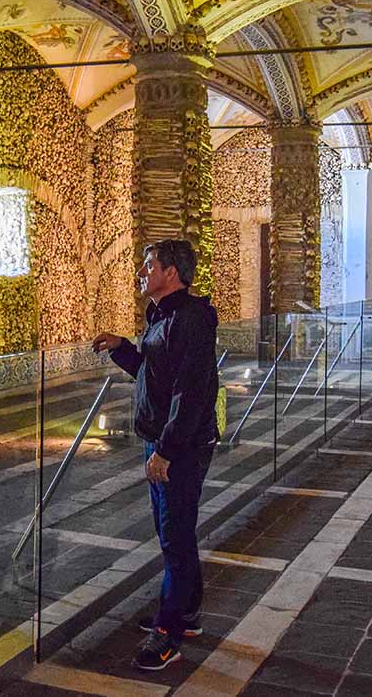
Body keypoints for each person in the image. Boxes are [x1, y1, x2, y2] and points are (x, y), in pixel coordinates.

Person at [93, 238, 218, 672]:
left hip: (179, 447)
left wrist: (165, 451)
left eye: (149, 266)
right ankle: (187, 613)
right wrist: (122, 346)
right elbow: (154, 371)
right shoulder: (162, 315)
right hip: (162, 440)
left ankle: (167, 635)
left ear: (171, 273)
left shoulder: (191, 320)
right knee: (177, 533)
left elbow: (191, 392)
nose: (141, 273)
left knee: (174, 538)